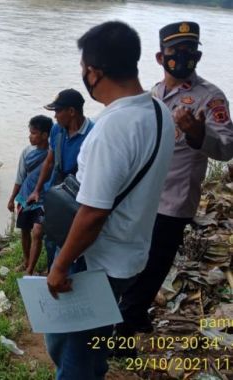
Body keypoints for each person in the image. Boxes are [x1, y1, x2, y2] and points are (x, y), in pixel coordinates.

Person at [44, 21, 175, 379]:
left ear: (95, 72)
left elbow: (92, 213)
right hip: (130, 255)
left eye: (84, 69)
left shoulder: (111, 129)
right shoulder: (159, 112)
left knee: (70, 351)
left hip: (95, 262)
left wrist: (59, 266)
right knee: (90, 339)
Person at [117, 21, 233, 344]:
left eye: (190, 51)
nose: (183, 57)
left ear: (198, 54)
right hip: (143, 197)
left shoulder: (210, 98)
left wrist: (199, 135)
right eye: (175, 52)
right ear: (160, 57)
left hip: (174, 201)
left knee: (152, 266)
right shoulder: (152, 94)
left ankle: (123, 336)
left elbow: (227, 147)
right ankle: (137, 316)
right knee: (136, 261)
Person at [27, 89, 94, 273]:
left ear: (71, 112)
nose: (55, 116)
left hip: (76, 197)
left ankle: (65, 273)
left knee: (69, 239)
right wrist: (37, 190)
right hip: (55, 193)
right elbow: (49, 160)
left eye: (58, 111)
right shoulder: (57, 130)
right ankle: (51, 270)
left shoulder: (92, 135)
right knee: (45, 233)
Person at [7, 115, 52, 275]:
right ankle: (27, 260)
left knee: (38, 231)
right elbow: (20, 177)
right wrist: (12, 198)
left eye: (34, 133)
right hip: (26, 197)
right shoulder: (27, 152)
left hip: (44, 199)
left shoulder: (53, 152)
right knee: (25, 230)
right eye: (30, 132)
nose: (30, 136)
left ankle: (30, 269)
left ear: (45, 135)